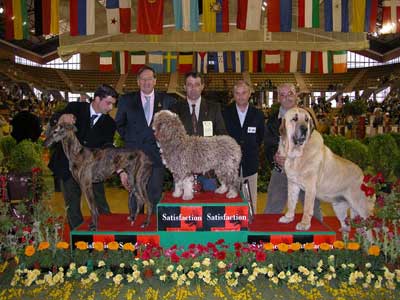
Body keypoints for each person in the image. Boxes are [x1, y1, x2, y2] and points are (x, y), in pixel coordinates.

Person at [48, 84, 118, 230]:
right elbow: (54, 120)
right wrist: (61, 117)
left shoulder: (110, 124)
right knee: (72, 208)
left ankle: (106, 239)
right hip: (68, 169)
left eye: (113, 104)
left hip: (94, 171)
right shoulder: (75, 108)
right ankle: (79, 242)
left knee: (101, 205)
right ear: (97, 99)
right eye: (108, 103)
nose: (111, 107)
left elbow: (107, 145)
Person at [115, 65, 176, 215]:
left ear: (155, 81)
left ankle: (154, 232)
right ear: (138, 82)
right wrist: (131, 139)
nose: (146, 82)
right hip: (134, 158)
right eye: (143, 79)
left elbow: (173, 127)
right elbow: (119, 124)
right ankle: (135, 230)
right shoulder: (126, 100)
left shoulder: (168, 101)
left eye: (149, 79)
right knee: (136, 199)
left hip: (156, 157)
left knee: (155, 197)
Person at [264, 83, 323, 222]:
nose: (286, 98)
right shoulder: (273, 120)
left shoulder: (308, 116)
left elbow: (314, 142)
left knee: (314, 212)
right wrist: (275, 157)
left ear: (296, 95)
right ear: (278, 98)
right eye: (282, 95)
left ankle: (320, 242)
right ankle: (265, 241)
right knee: (271, 211)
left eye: (290, 94)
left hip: (304, 171)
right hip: (280, 171)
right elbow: (268, 144)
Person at [172, 71, 226, 191]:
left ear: (202, 86)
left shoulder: (214, 108)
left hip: (208, 172)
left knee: (210, 207)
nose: (193, 88)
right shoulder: (175, 109)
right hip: (183, 172)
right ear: (184, 87)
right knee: (182, 207)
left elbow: (222, 135)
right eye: (190, 85)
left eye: (197, 84)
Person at [223, 80, 264, 211]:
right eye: (237, 93)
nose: (241, 96)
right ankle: (230, 228)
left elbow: (260, 137)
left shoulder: (258, 114)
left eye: (244, 92)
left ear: (249, 94)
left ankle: (251, 226)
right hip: (229, 164)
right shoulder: (225, 113)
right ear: (233, 95)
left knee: (250, 200)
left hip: (250, 163)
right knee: (229, 199)